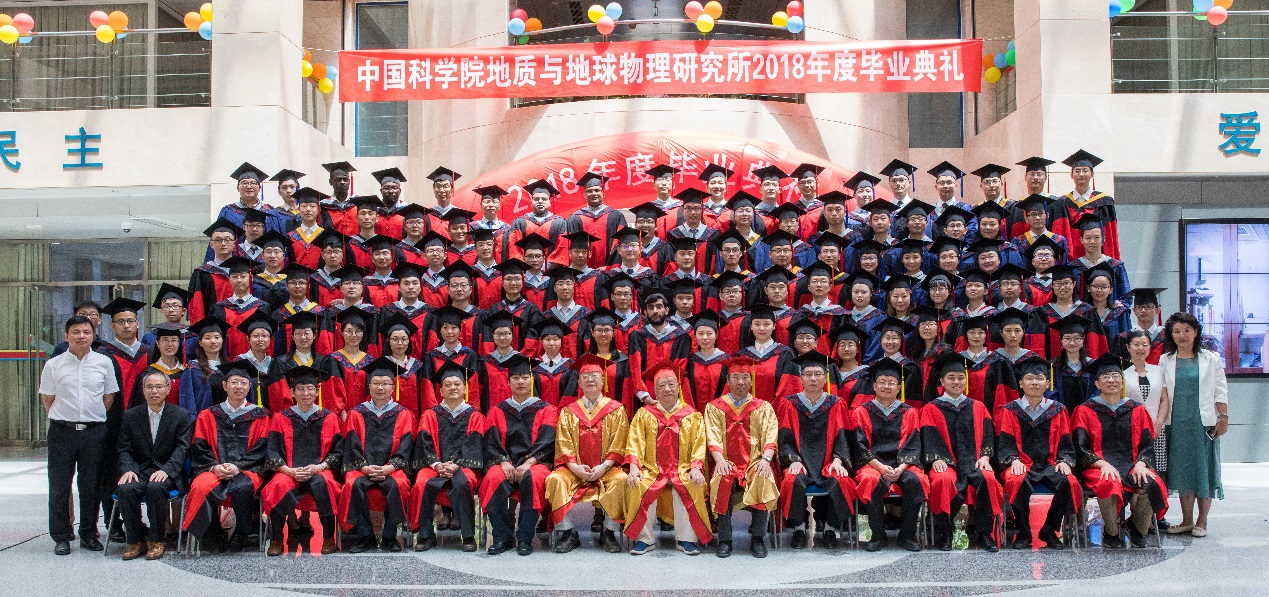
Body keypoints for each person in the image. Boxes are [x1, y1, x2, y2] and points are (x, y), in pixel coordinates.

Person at [40, 315, 121, 555]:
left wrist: (91, 417)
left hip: (94, 433)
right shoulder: (53, 365)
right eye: (76, 332)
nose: (81, 336)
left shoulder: (104, 363)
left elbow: (108, 397)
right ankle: (61, 536)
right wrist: (66, 418)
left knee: (91, 486)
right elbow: (48, 399)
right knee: (59, 487)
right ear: (66, 336)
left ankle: (88, 533)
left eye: (86, 332)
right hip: (62, 432)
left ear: (93, 335)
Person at [1072, 354, 1168, 548]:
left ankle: (1137, 528)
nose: (1111, 380)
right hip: (1097, 466)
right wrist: (1102, 464)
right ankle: (1111, 532)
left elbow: (1147, 444)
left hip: (1132, 464)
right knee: (1108, 481)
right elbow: (1079, 447)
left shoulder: (1137, 409)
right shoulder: (1084, 410)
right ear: (1097, 384)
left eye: (1116, 376)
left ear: (1122, 382)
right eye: (1105, 377)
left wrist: (1141, 463)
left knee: (1151, 481)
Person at [623, 360, 712, 555]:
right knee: (638, 483)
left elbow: (699, 445)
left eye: (671, 384)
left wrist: (696, 467)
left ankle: (686, 539)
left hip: (683, 469)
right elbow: (634, 442)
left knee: (692, 483)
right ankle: (645, 539)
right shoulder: (644, 414)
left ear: (678, 387)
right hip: (651, 469)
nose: (667, 389)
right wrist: (634, 468)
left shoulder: (692, 415)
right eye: (661, 385)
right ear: (654, 390)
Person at [182, 360, 271, 553]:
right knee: (200, 486)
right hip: (214, 468)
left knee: (242, 486)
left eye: (243, 383)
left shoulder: (261, 416)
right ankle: (212, 532)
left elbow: (261, 449)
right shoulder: (208, 415)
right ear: (224, 385)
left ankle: (241, 533)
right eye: (234, 382)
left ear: (249, 387)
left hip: (247, 469)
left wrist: (238, 466)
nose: (238, 387)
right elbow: (199, 447)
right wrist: (215, 466)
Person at [545, 354, 630, 553]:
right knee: (555, 479)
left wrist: (604, 466)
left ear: (603, 380)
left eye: (594, 376)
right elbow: (563, 443)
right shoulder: (569, 411)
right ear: (579, 383)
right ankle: (567, 532)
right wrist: (575, 467)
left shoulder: (616, 409)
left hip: (606, 469)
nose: (590, 380)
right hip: (574, 470)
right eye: (585, 376)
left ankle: (608, 532)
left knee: (620, 480)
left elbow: (619, 443)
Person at [921, 351, 1004, 552]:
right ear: (942, 381)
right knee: (942, 480)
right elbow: (928, 437)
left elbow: (988, 436)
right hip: (946, 462)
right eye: (951, 378)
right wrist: (935, 459)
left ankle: (984, 534)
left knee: (988, 478)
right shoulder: (931, 408)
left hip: (975, 461)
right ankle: (945, 532)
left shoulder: (978, 407)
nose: (956, 382)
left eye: (960, 378)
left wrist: (985, 457)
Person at [994, 355, 1078, 550]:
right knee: (1016, 480)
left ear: (1047, 383)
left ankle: (1049, 529)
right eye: (1029, 378)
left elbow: (1065, 441)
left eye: (1039, 379)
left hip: (1050, 463)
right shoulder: (1009, 410)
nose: (1034, 383)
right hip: (1021, 462)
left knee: (1069, 482)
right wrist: (1012, 460)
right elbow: (1005, 442)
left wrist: (1064, 460)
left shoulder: (1057, 410)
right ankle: (1023, 531)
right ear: (1021, 384)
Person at [775, 351, 857, 549]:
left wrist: (838, 460)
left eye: (818, 374)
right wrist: (793, 460)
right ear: (801, 377)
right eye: (808, 374)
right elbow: (784, 437)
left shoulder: (836, 404)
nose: (813, 378)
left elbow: (842, 436)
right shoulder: (789, 403)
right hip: (799, 461)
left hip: (828, 462)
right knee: (791, 481)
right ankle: (798, 528)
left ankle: (830, 529)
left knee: (841, 480)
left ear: (825, 377)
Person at [480, 355, 558, 555]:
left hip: (535, 463)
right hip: (505, 463)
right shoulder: (497, 410)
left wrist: (529, 463)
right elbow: (491, 442)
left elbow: (548, 441)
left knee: (535, 479)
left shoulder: (546, 410)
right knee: (492, 478)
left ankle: (525, 537)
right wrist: (503, 462)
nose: (521, 381)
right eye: (516, 378)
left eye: (525, 377)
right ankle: (501, 537)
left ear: (531, 380)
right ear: (508, 382)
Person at [261, 366, 343, 556]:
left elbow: (338, 452)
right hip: (288, 471)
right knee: (278, 485)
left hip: (319, 470)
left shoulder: (329, 418)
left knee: (326, 483)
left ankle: (328, 537)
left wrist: (320, 467)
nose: (306, 393)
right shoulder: (281, 418)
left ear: (317, 391)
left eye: (310, 389)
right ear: (292, 392)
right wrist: (288, 471)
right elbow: (272, 451)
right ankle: (276, 539)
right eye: (300, 389)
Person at [1158, 312, 1226, 538]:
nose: (1182, 335)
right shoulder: (1165, 360)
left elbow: (1220, 390)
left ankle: (1202, 520)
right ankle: (1186, 520)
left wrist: (1223, 417)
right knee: (1183, 470)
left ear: (1196, 332)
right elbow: (1163, 393)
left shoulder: (1211, 358)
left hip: (1203, 423)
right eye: (1177, 331)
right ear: (1171, 335)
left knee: (1203, 470)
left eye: (1187, 330)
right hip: (1176, 423)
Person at [850, 359, 927, 552]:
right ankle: (878, 535)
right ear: (874, 386)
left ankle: (907, 535)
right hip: (872, 464)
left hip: (902, 464)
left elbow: (913, 444)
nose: (886, 386)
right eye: (882, 382)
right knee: (870, 480)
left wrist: (900, 468)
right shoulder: (861, 411)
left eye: (891, 383)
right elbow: (859, 446)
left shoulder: (909, 412)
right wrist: (881, 468)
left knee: (916, 480)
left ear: (899, 387)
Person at [339, 360, 416, 553]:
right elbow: (351, 445)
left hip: (392, 468)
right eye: (376, 383)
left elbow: (406, 446)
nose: (380, 388)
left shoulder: (403, 414)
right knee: (351, 484)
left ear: (393, 387)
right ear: (369, 386)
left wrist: (390, 467)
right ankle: (365, 537)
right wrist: (364, 467)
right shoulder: (356, 413)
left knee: (399, 484)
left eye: (385, 383)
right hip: (362, 468)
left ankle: (390, 537)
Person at [115, 370, 192, 560]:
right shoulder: (131, 416)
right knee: (126, 488)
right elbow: (124, 448)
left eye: (159, 387)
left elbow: (182, 448)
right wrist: (128, 469)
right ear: (143, 390)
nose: (154, 391)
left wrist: (166, 470)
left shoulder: (180, 415)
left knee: (155, 488)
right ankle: (135, 540)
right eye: (149, 387)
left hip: (167, 471)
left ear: (168, 389)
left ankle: (157, 540)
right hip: (140, 469)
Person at [705, 360, 779, 558]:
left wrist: (765, 460)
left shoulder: (763, 407)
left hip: (755, 462)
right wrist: (719, 461)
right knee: (722, 478)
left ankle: (758, 538)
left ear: (751, 380)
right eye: (735, 377)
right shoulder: (714, 407)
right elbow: (712, 437)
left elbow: (770, 436)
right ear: (728, 380)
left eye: (745, 377)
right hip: (726, 462)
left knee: (763, 477)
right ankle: (725, 539)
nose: (740, 382)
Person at [410, 362, 485, 552]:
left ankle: (468, 535)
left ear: (464, 389)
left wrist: (455, 465)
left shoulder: (475, 416)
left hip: (464, 466)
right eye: (448, 385)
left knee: (464, 482)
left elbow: (473, 444)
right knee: (421, 483)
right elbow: (424, 443)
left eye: (457, 384)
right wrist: (437, 465)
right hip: (434, 466)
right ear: (441, 390)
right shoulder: (430, 415)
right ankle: (425, 535)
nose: (453, 388)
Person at [1122, 329, 1171, 489]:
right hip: (1130, 429)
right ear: (1128, 347)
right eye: (1136, 344)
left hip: (1156, 428)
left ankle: (1157, 504)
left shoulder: (1158, 370)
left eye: (1145, 344)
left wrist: (1159, 422)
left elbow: (1164, 399)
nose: (1140, 348)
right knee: (1135, 470)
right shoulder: (1121, 372)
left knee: (1157, 471)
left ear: (1150, 347)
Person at [567, 173, 626, 270]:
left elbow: (621, 242)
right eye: (589, 191)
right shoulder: (575, 218)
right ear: (584, 194)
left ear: (603, 193)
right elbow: (569, 245)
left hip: (609, 270)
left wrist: (610, 267)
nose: (594, 193)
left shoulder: (616, 216)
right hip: (581, 271)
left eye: (597, 190)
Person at [178, 316, 230, 419]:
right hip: (202, 422)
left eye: (217, 337)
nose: (213, 341)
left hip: (227, 423)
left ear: (222, 341)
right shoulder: (193, 369)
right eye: (207, 338)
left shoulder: (229, 367)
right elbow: (188, 400)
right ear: (200, 343)